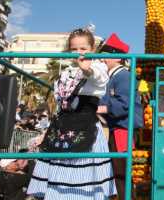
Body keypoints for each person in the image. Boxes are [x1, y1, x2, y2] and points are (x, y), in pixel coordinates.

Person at [27, 27, 116, 199]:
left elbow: (97, 77)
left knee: (84, 182)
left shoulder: (97, 67)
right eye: (74, 49)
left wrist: (87, 69)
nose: (79, 53)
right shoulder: (66, 72)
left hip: (85, 129)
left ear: (92, 49)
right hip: (61, 129)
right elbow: (62, 104)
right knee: (57, 178)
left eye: (83, 49)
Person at [97, 33, 143, 200]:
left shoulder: (122, 76)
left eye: (105, 57)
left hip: (122, 129)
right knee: (118, 171)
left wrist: (101, 108)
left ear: (116, 57)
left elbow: (125, 104)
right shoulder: (116, 76)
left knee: (121, 171)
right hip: (118, 128)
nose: (102, 60)